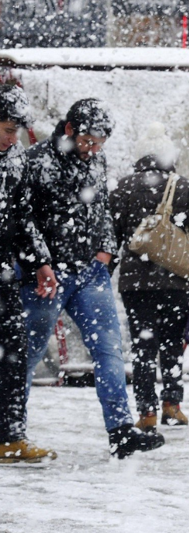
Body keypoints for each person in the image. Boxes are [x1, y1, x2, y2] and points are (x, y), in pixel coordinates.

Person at [22, 98, 165, 459]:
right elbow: (23, 219)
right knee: (27, 352)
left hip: (89, 271)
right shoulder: (37, 161)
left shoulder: (97, 160)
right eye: (88, 141)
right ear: (70, 129)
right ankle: (10, 430)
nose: (93, 149)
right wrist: (40, 262)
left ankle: (121, 431)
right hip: (47, 273)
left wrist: (106, 250)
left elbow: (101, 208)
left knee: (109, 349)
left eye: (100, 143)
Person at [110, 122, 189, 432]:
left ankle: (146, 413)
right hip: (175, 281)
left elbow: (110, 235)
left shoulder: (124, 187)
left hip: (135, 283)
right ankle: (172, 404)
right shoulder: (182, 186)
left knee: (143, 347)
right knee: (171, 343)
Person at [0, 85, 58, 464]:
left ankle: (10, 438)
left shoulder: (15, 158)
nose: (13, 138)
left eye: (17, 131)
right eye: (8, 130)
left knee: (13, 352)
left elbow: (22, 217)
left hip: (4, 270)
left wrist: (40, 262)